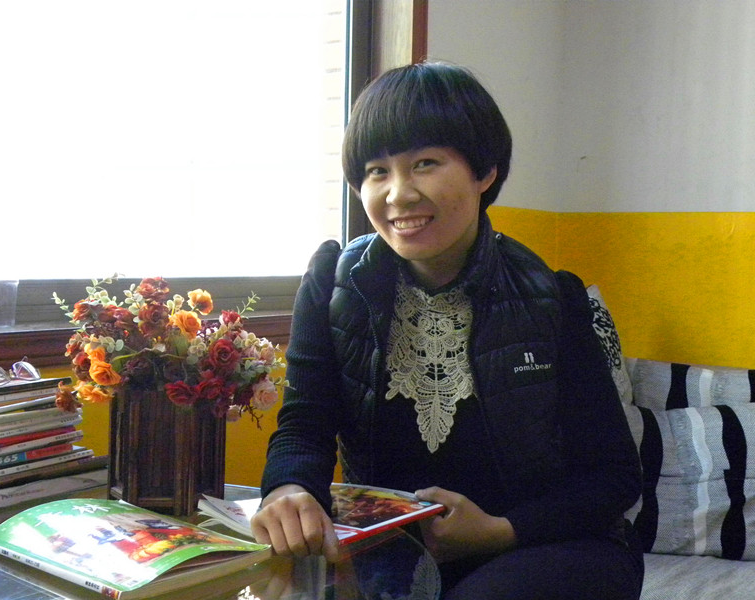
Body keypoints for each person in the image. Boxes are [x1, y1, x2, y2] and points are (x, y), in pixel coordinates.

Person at [253, 62, 644, 600]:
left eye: (425, 164)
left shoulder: (552, 297)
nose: (398, 195)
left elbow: (614, 476)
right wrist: (288, 487)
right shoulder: (335, 285)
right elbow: (304, 424)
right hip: (395, 548)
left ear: (484, 172)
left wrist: (499, 531)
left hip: (549, 545)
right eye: (377, 171)